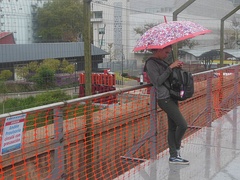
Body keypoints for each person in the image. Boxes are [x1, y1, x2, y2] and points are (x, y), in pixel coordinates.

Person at [145, 45, 189, 165]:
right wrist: (170, 67)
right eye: (166, 52)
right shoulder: (151, 63)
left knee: (173, 127)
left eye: (169, 52)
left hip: (172, 96)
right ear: (158, 50)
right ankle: (176, 149)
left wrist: (176, 67)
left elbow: (169, 77)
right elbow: (157, 81)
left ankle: (174, 156)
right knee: (183, 125)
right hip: (164, 99)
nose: (167, 55)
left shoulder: (161, 62)